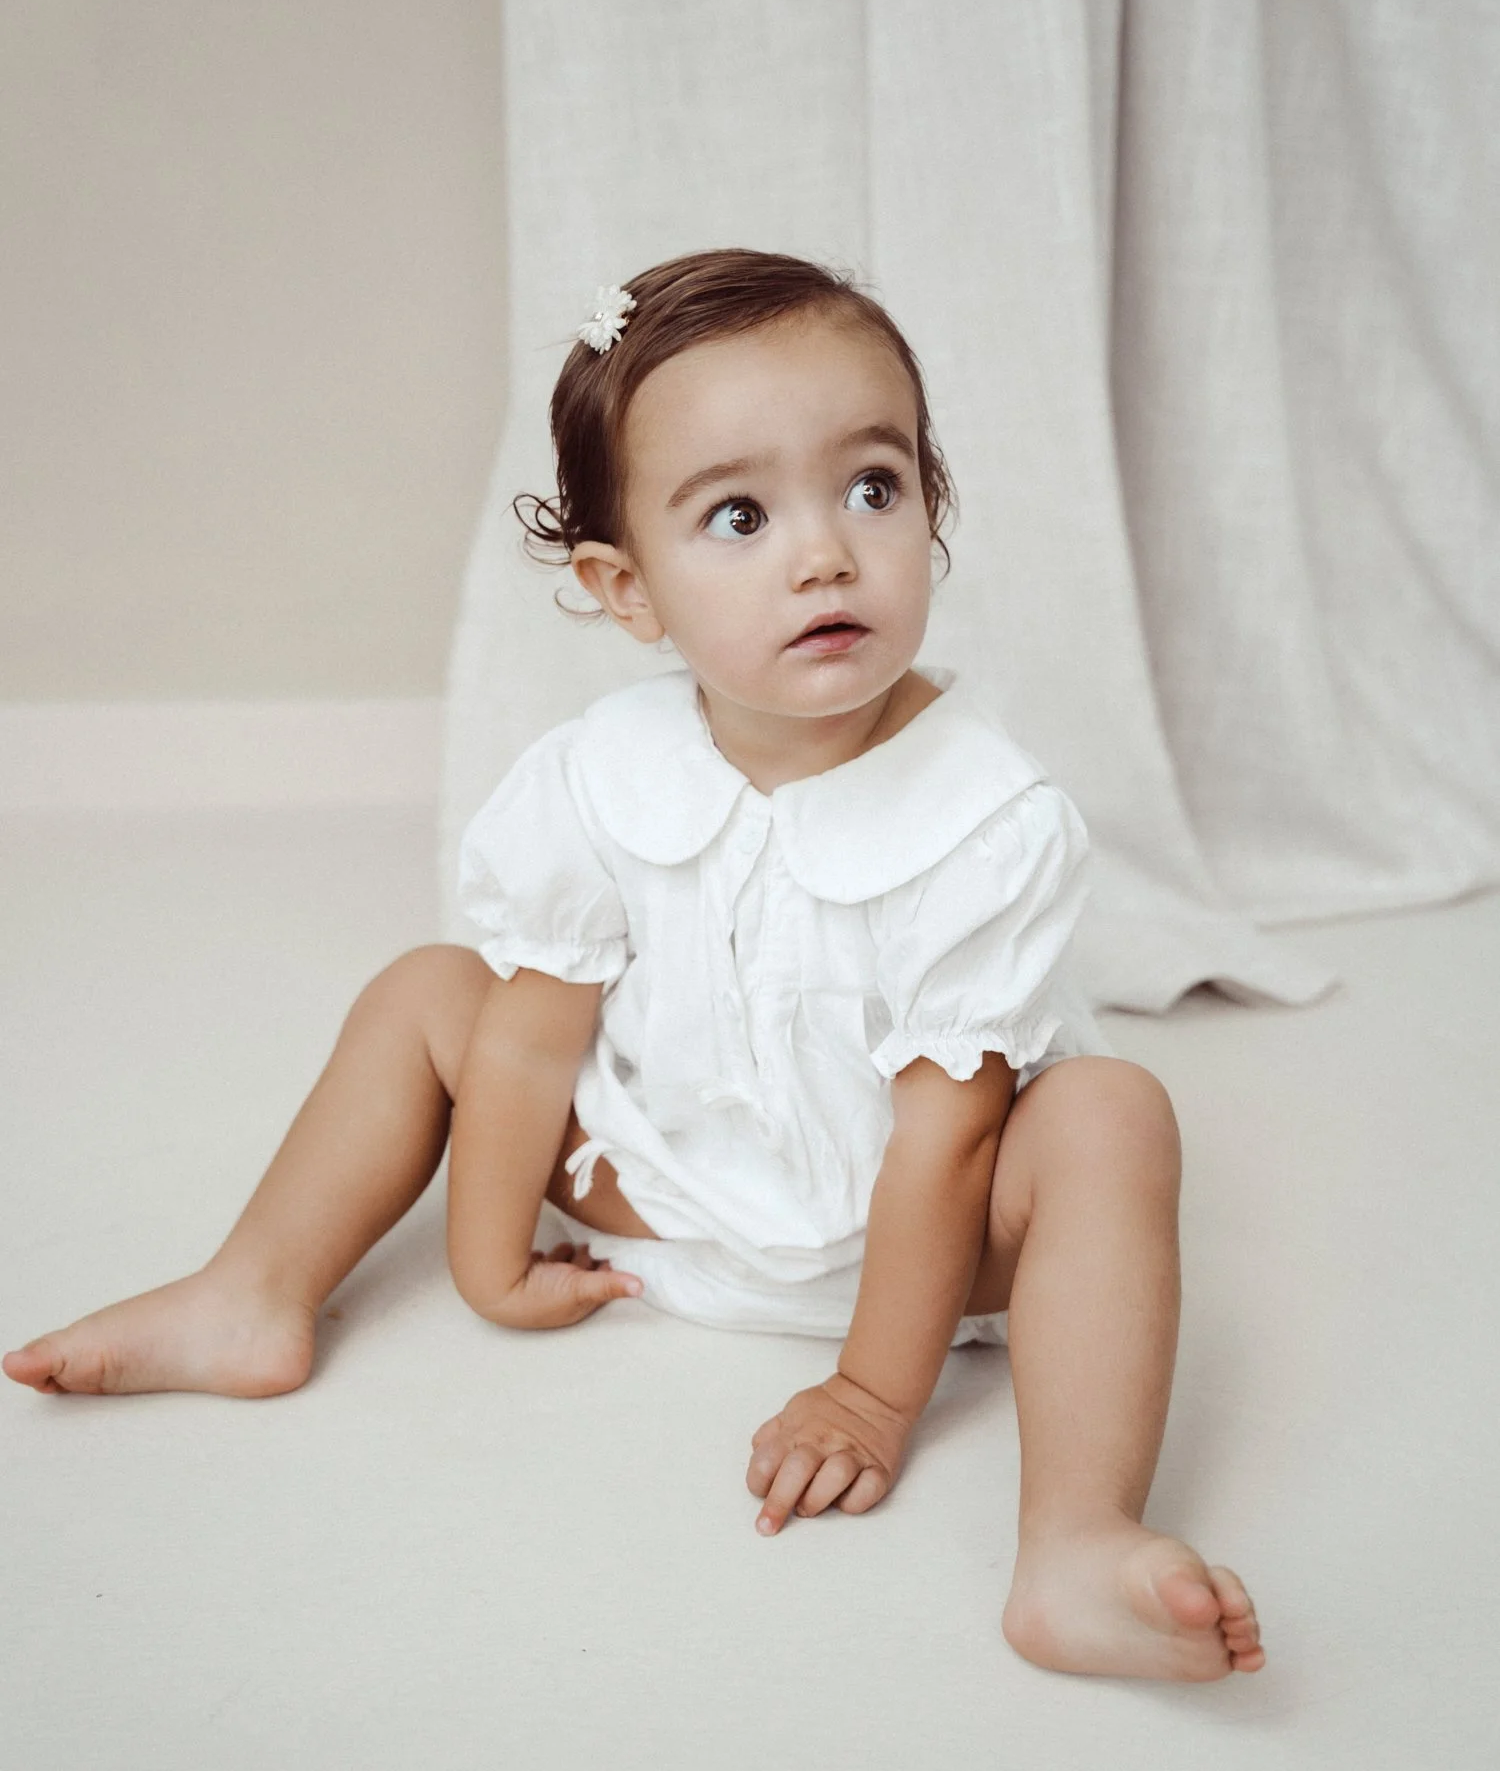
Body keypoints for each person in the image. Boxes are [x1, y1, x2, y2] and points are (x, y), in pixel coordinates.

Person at [4, 249, 1264, 1683]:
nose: (825, 554)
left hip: (908, 1236)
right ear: (627, 587)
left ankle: (1078, 1539)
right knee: (431, 990)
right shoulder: (600, 773)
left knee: (1110, 1115)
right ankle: (254, 1289)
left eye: (874, 487)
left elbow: (950, 1139)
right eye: (739, 515)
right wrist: (491, 1262)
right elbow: (536, 1037)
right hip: (656, 1194)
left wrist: (866, 1393)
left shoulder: (989, 817)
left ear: (933, 503)